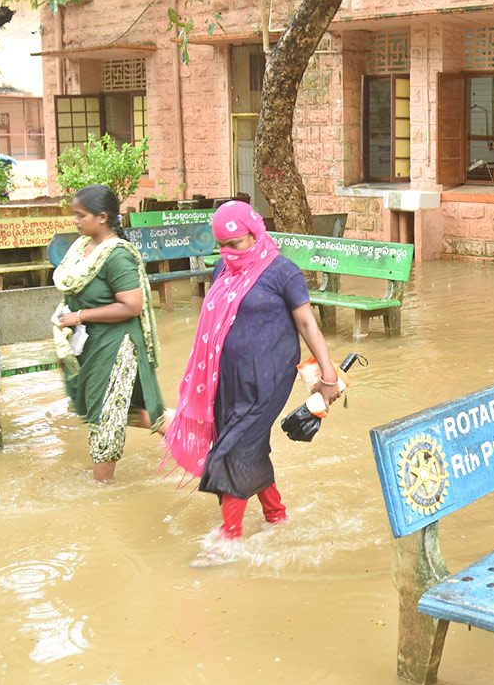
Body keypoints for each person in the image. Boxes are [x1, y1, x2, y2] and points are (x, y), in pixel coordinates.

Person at [162, 200, 341, 567]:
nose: (229, 252)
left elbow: (308, 325)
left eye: (237, 243)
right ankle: (276, 515)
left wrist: (328, 377)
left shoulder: (282, 272)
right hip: (226, 379)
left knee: (233, 450)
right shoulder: (222, 269)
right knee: (247, 443)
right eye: (222, 246)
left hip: (267, 378)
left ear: (255, 232)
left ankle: (228, 540)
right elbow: (217, 322)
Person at [53, 184, 168, 482]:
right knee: (128, 411)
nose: (75, 221)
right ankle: (198, 436)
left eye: (81, 215)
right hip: (90, 344)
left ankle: (102, 490)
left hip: (117, 346)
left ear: (102, 217)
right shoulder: (81, 249)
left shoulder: (117, 256)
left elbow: (131, 305)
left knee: (107, 417)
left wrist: (80, 315)